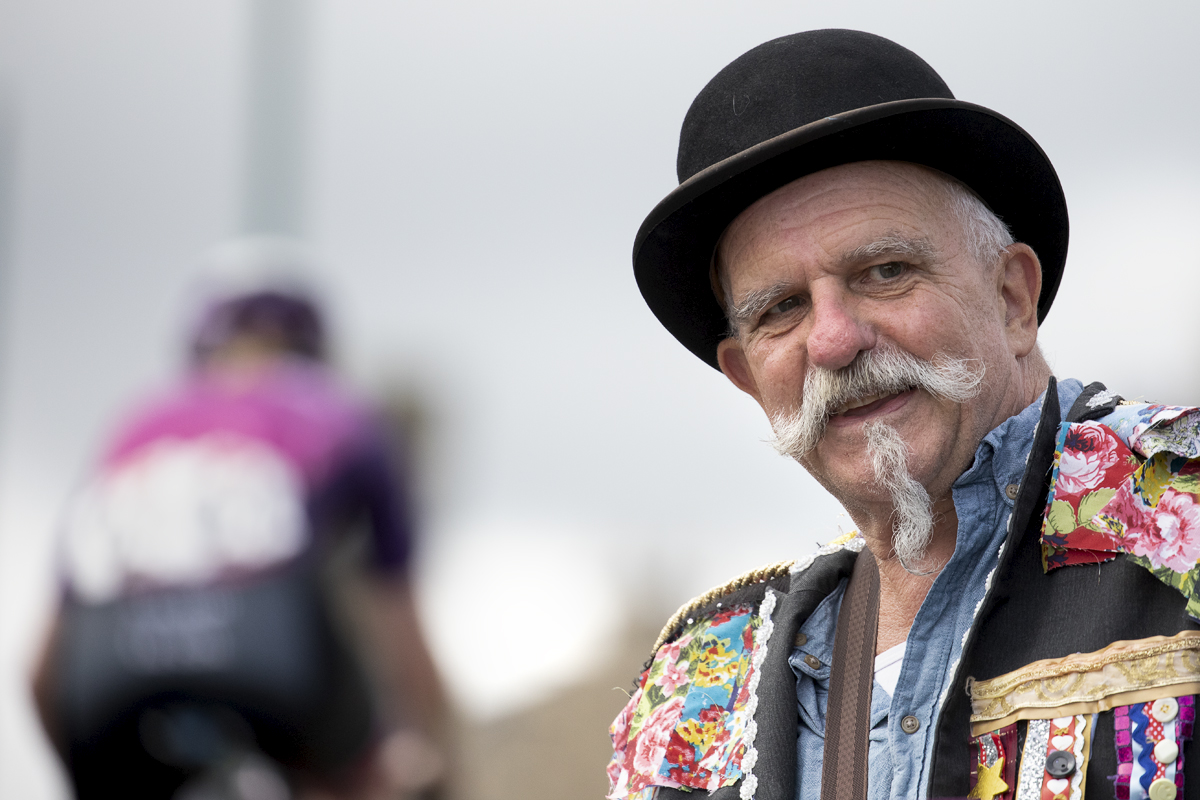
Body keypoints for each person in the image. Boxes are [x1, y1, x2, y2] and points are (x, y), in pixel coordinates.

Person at [607, 29, 1200, 800]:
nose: (833, 340)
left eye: (885, 272)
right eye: (782, 310)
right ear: (748, 376)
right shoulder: (692, 692)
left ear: (1013, 298)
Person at [31, 257, 446, 800]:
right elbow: (401, 631)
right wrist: (432, 754)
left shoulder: (135, 425)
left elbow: (39, 669)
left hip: (109, 686)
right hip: (271, 669)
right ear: (316, 348)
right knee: (377, 773)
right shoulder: (343, 412)